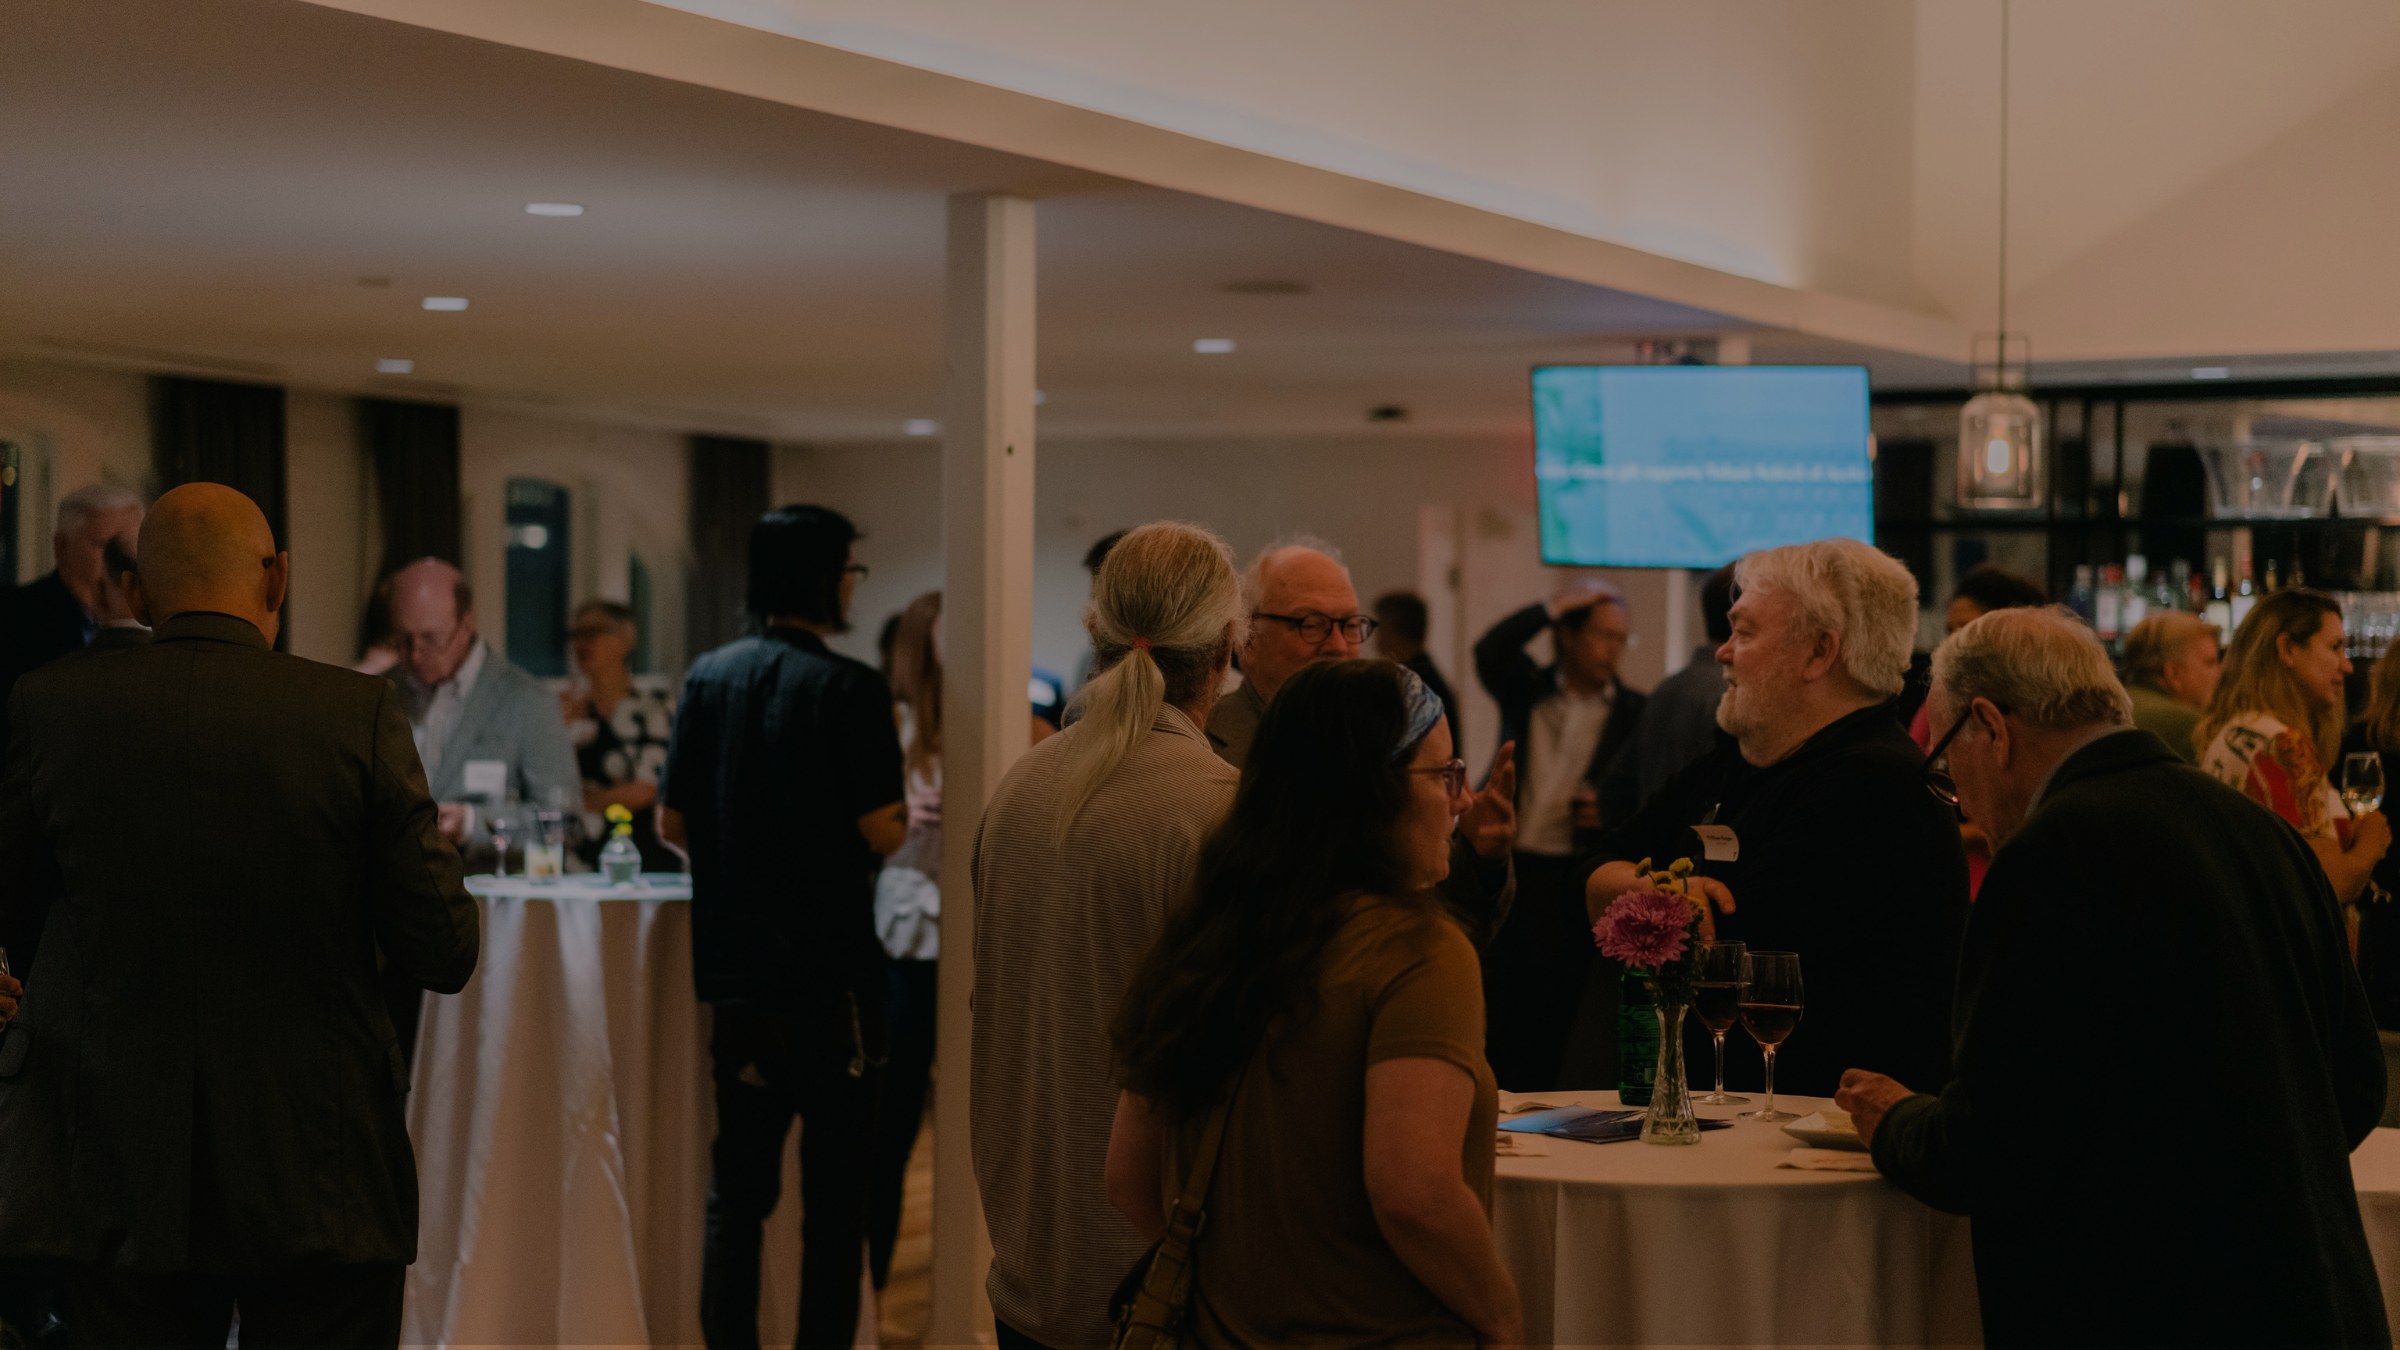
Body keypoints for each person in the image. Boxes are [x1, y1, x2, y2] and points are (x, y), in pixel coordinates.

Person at [0, 482, 478, 1346]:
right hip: (317, 1162)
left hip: (112, 1159)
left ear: (138, 592)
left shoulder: (49, 707)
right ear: (279, 578)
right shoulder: (354, 715)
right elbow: (443, 948)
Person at [1838, 607, 2389, 1349]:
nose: (1960, 799)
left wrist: (1893, 1119)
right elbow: (2355, 1085)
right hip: (2312, 1303)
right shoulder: (2262, 834)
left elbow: (1992, 1149)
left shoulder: (2049, 852)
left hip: (2141, 1310)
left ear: (1992, 727)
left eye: (1946, 768)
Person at [1106, 660, 1519, 1347]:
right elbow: (1414, 1193)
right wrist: (1505, 1319)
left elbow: (1128, 1177)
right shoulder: (1419, 952)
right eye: (1444, 774)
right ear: (1370, 791)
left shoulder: (1209, 933)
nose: (1464, 800)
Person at [973, 521, 1245, 1350]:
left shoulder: (1020, 786)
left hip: (1027, 1265)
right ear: (1229, 648)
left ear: (1095, 631)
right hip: (1154, 1284)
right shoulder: (1217, 806)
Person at [1585, 538, 1969, 1099]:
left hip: (1823, 1145)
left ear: (1819, 652)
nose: (1721, 651)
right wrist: (1666, 893)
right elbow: (1592, 872)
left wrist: (1643, 900)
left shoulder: (1878, 785)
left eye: (1744, 632)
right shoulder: (1734, 763)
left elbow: (1731, 947)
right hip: (1738, 1119)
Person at [659, 504, 906, 1350]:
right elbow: (884, 828)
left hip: (738, 981)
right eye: (848, 569)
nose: (851, 584)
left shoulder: (707, 677)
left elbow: (671, 823)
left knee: (739, 1195)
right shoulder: (851, 689)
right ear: (823, 577)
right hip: (833, 984)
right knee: (835, 1209)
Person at [864, 591, 1051, 1291]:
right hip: (908, 947)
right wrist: (898, 820)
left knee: (1002, 1129)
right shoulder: (889, 729)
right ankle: (873, 1300)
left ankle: (998, 1290)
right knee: (891, 1135)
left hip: (993, 949)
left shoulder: (1026, 730)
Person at [1209, 541, 1518, 949]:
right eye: (1310, 623)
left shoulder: (1391, 743)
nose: (1338, 646)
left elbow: (1436, 917)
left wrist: (1480, 857)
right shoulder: (1207, 745)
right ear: (1247, 640)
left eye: (1350, 625)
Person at [1473, 577, 1646, 1089]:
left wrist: (1608, 811)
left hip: (1573, 870)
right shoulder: (1526, 686)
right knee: (1505, 996)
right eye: (1602, 635)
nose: (1613, 648)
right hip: (1512, 862)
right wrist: (1550, 607)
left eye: (1621, 638)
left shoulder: (1636, 710)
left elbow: (1641, 793)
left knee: (1560, 1001)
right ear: (1568, 636)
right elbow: (1490, 649)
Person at [2198, 589, 2390, 915]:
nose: (2348, 667)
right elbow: (2329, 884)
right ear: (2287, 649)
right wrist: (2372, 843)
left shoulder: (2237, 731)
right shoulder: (2284, 746)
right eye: (2334, 648)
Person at [385, 558, 581, 852]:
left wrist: (472, 824)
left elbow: (566, 823)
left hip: (486, 888)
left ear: (466, 625)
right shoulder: (382, 693)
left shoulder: (527, 700)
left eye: (431, 639)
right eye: (403, 640)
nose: (414, 655)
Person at [1598, 563, 1735, 824]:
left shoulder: (1666, 688)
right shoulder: (1729, 697)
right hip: (1697, 861)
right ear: (1739, 617)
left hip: (1648, 857)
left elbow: (1614, 793)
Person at [0, 483, 144, 718]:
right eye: (105, 546)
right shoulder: (11, 617)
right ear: (62, 547)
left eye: (131, 546)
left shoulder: (156, 620)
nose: (124, 562)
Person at [561, 599, 678, 871]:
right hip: (580, 857)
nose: (582, 643)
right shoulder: (564, 709)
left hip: (642, 854)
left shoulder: (654, 708)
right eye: (575, 635)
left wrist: (580, 803)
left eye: (592, 633)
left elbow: (644, 790)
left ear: (626, 638)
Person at [2121, 610, 2221, 763]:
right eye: (2210, 662)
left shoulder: (2113, 709)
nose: (2219, 673)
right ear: (2174, 674)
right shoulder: (2188, 724)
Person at [1372, 590, 1463, 753]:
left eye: (1381, 630)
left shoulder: (1414, 689)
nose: (1377, 641)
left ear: (1395, 633)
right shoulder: (1428, 681)